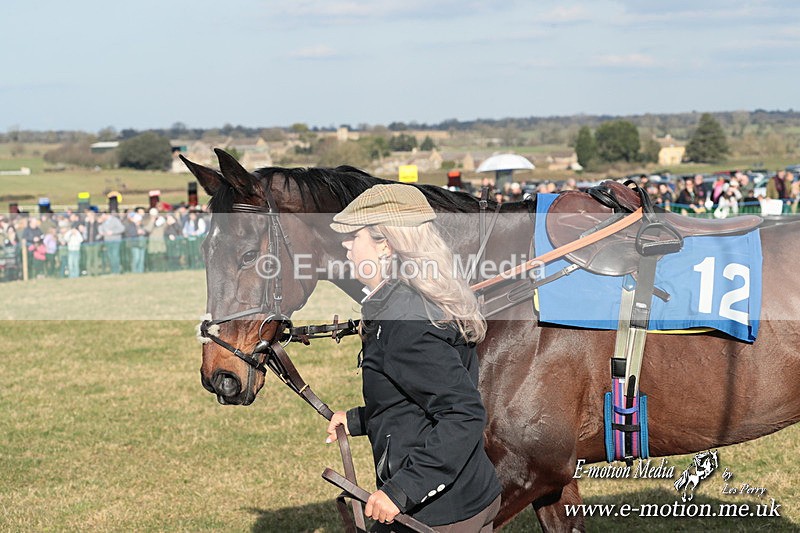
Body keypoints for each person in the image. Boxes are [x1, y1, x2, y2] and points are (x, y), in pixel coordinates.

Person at [325, 184, 502, 532]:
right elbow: (416, 397)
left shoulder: (405, 321)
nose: (345, 246)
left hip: (438, 514)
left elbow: (463, 413)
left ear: (385, 245)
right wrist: (359, 419)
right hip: (464, 496)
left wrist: (400, 491)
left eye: (354, 236)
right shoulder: (407, 301)